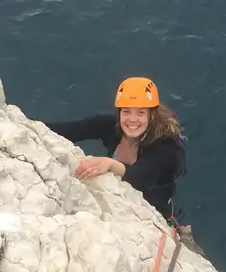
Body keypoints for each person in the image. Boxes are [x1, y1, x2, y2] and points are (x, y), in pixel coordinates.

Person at [43, 77, 186, 220]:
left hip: (153, 214)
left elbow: (141, 176)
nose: (132, 119)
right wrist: (26, 123)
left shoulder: (166, 148)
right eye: (126, 111)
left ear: (151, 115)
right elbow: (71, 130)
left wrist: (110, 164)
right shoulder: (112, 126)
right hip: (117, 201)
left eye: (141, 113)